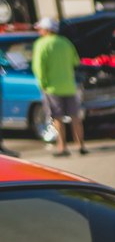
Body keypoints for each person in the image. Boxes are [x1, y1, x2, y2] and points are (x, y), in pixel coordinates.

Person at [30, 16, 86, 157]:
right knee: (75, 117)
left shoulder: (41, 44)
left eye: (41, 29)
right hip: (69, 85)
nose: (39, 31)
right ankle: (81, 145)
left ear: (46, 30)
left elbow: (38, 67)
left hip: (51, 87)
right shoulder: (66, 42)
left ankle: (63, 147)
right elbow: (76, 61)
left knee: (57, 117)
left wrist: (42, 84)